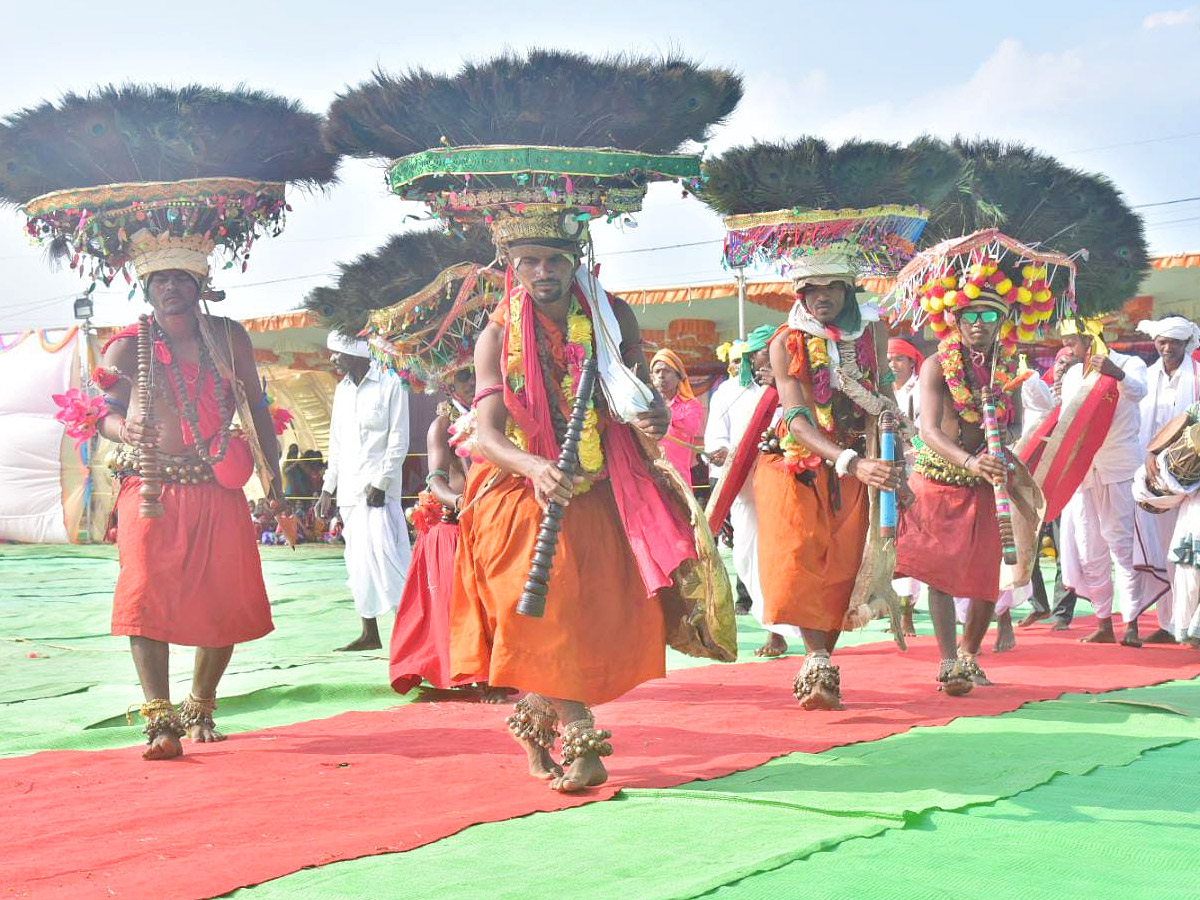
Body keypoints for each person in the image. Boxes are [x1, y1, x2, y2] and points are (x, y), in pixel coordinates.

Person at [453, 213, 733, 793]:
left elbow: (631, 394)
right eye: (529, 261)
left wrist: (650, 413)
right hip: (517, 493)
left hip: (601, 485)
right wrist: (534, 466)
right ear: (513, 266)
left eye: (554, 259)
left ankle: (533, 723)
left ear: (575, 260)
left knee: (582, 617)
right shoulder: (493, 338)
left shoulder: (611, 318)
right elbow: (485, 434)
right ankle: (581, 738)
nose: (543, 272)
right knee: (541, 613)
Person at [98, 267, 284, 759]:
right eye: (160, 280)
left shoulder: (227, 336)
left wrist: (274, 474)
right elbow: (102, 414)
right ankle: (160, 722)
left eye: (181, 278)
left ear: (199, 285)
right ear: (147, 289)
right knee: (143, 597)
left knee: (224, 597)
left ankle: (200, 707)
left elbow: (255, 406)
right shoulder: (126, 346)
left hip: (216, 484)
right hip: (150, 487)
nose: (171, 288)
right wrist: (125, 429)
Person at [895, 247, 1045, 695]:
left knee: (985, 574)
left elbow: (1016, 419)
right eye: (970, 316)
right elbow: (927, 429)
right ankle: (946, 662)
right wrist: (969, 459)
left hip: (987, 480)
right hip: (940, 478)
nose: (978, 324)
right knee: (940, 573)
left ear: (1001, 323)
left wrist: (1005, 437)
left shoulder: (1005, 369)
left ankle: (968, 656)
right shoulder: (937, 365)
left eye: (988, 315)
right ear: (956, 323)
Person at [754, 261, 901, 709]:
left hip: (859, 465)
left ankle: (822, 665)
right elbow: (797, 420)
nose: (821, 297)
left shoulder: (873, 335)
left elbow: (885, 396)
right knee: (796, 561)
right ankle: (816, 659)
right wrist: (851, 462)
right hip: (795, 467)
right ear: (799, 294)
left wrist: (897, 461)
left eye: (832, 287)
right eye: (811, 289)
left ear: (849, 289)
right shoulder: (785, 341)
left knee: (842, 570)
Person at [389, 367, 498, 698]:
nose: (471, 383)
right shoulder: (442, 426)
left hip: (490, 520)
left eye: (476, 376)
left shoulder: (497, 418)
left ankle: (498, 669)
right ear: (449, 385)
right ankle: (477, 674)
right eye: (464, 377)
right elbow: (435, 481)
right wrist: (462, 501)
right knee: (461, 603)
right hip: (450, 526)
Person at [316, 333, 412, 652]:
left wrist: (381, 482)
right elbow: (337, 444)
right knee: (357, 562)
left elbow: (398, 439)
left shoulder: (391, 384)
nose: (332, 359)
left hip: (378, 492)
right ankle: (369, 633)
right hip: (349, 493)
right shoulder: (342, 391)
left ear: (356, 354)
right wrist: (328, 488)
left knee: (389, 560)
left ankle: (412, 633)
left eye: (337, 353)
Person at [1057, 318, 1148, 645]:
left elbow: (1138, 393)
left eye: (1071, 341)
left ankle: (1132, 624)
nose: (1066, 348)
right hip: (1084, 470)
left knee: (1122, 546)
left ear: (1089, 338)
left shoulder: (1130, 364)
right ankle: (1103, 622)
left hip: (1119, 467)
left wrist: (1116, 374)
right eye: (1065, 342)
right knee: (1089, 548)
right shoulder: (1071, 376)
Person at [726, 324, 801, 657]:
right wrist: (719, 451)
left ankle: (778, 630)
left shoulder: (793, 390)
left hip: (788, 481)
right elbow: (717, 437)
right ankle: (771, 622)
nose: (764, 363)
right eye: (759, 356)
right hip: (743, 489)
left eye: (771, 355)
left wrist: (785, 392)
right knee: (745, 556)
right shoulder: (728, 393)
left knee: (782, 555)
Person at [1127, 316, 1200, 644]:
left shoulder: (1198, 377)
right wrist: (1150, 455)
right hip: (1154, 476)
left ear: (1187, 344)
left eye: (1174, 342)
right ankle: (1170, 622)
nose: (1167, 347)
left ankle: (1186, 623)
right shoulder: (1146, 375)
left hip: (1194, 479)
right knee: (1163, 551)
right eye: (1162, 342)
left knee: (1188, 551)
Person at [887, 337, 925, 636]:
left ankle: (906, 612)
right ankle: (887, 606)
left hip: (916, 469)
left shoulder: (922, 389)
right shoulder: (883, 390)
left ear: (912, 362)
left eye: (899, 359)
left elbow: (928, 430)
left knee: (908, 539)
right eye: (888, 359)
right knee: (886, 537)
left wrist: (911, 443)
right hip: (885, 470)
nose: (893, 364)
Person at [650, 348, 705, 488]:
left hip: (678, 477)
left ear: (679, 376)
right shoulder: (645, 404)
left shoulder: (691, 405)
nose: (661, 376)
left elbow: (691, 428)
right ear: (651, 377)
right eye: (657, 372)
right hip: (649, 476)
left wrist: (666, 413)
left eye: (666, 371)